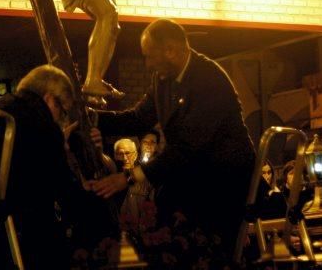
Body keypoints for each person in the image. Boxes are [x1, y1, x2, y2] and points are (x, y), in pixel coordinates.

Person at [91, 18, 255, 253]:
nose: (147, 64)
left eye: (149, 56)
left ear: (171, 50)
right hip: (193, 171)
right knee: (162, 214)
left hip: (223, 179)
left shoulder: (209, 80)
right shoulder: (162, 80)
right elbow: (138, 118)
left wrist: (128, 178)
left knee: (195, 241)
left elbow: (187, 148)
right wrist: (93, 118)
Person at [0, 64, 95, 269]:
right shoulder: (40, 123)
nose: (61, 119)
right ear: (50, 99)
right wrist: (91, 218)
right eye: (62, 111)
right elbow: (58, 186)